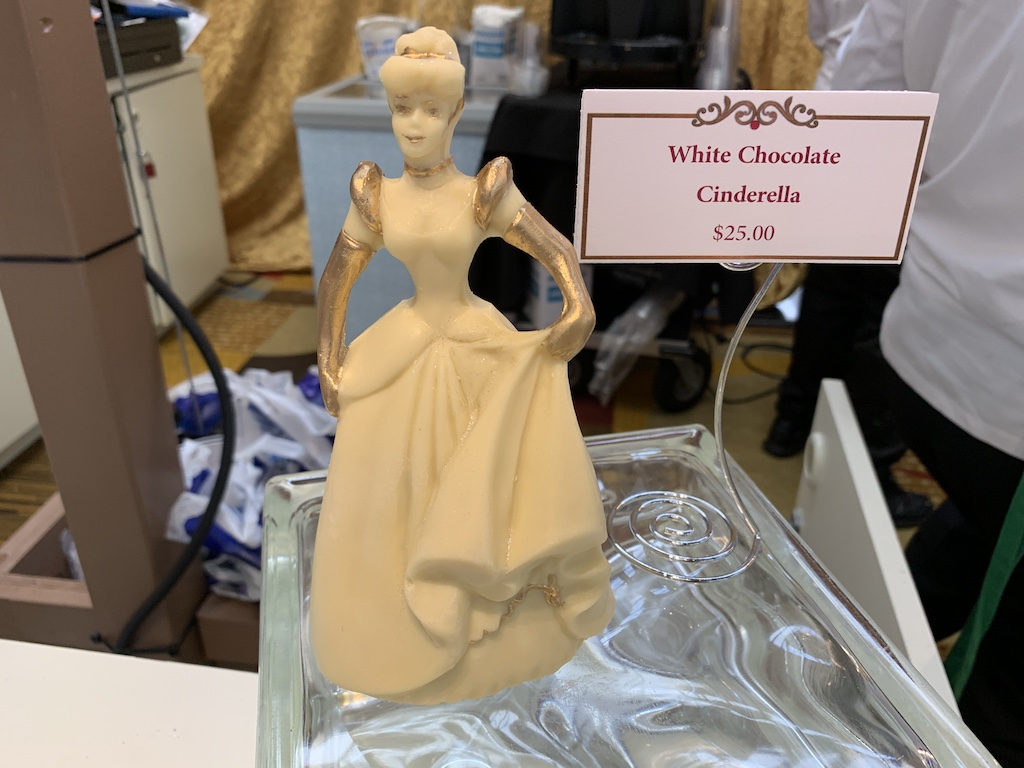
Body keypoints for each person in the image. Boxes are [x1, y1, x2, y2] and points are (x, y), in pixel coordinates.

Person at [308, 27, 614, 705]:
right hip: (405, 344)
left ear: (455, 114)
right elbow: (337, 278)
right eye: (402, 109)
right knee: (389, 486)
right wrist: (329, 356)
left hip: (476, 343)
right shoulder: (376, 194)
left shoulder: (482, 192)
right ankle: (388, 625)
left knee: (490, 478)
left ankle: (490, 609)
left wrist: (578, 305)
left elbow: (556, 249)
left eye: (430, 110)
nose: (414, 125)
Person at [831, 2, 1024, 764]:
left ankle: (851, 684)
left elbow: (857, 102)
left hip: (930, 340)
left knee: (977, 527)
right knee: (1003, 704)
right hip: (1002, 387)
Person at [764, 0, 932, 528]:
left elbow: (822, 30)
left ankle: (790, 423)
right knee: (880, 313)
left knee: (830, 292)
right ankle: (872, 474)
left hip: (835, 119)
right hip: (899, 132)